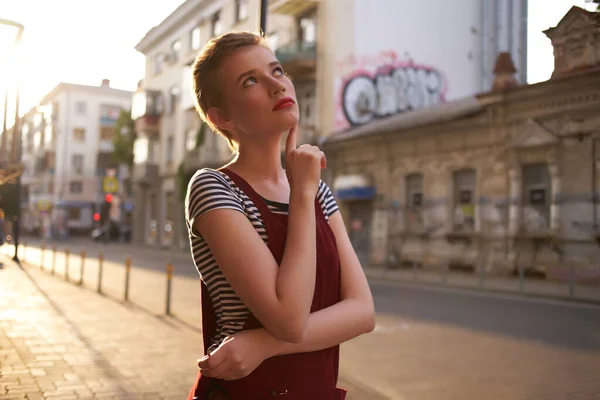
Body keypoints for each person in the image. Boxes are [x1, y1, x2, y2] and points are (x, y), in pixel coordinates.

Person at [185, 31, 375, 400]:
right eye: (251, 80)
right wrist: (302, 194)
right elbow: (287, 317)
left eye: (277, 70)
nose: (277, 84)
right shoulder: (214, 187)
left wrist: (262, 345)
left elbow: (361, 312)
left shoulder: (316, 187)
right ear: (221, 117)